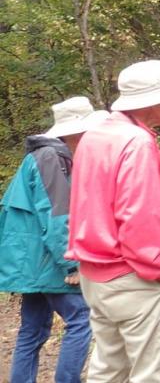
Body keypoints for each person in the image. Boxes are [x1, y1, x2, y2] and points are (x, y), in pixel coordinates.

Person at [66, 60, 160, 383]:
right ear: (153, 101)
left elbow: (82, 204)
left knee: (108, 371)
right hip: (135, 277)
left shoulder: (94, 136)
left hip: (95, 275)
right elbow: (140, 219)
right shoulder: (136, 142)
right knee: (154, 375)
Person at [0, 97, 107, 383]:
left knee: (32, 330)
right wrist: (71, 264)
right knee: (81, 319)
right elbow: (57, 215)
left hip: (30, 259)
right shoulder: (51, 157)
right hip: (45, 259)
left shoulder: (41, 156)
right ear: (76, 131)